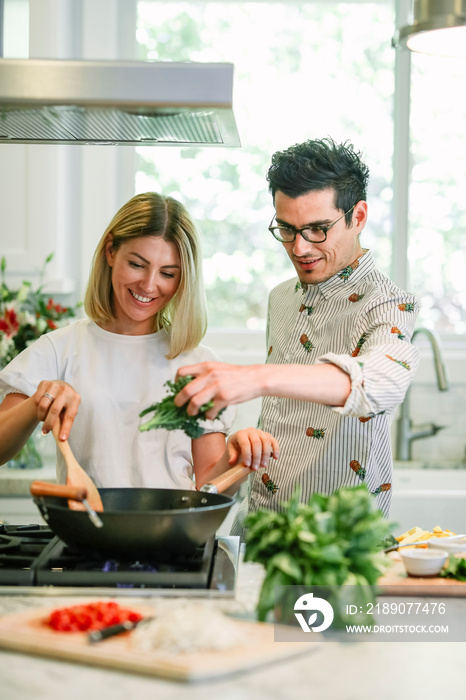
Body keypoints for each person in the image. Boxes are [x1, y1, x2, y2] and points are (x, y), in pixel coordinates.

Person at [173, 137, 420, 523]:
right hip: (264, 527)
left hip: (335, 548)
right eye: (287, 229)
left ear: (358, 217)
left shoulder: (387, 303)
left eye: (318, 229)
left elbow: (382, 383)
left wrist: (255, 378)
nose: (300, 248)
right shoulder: (282, 298)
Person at [0, 192, 279, 494]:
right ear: (110, 251)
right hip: (86, 531)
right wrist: (35, 404)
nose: (148, 285)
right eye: (137, 264)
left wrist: (237, 455)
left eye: (168, 273)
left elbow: (209, 487)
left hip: (173, 535)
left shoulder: (198, 363)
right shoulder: (59, 349)